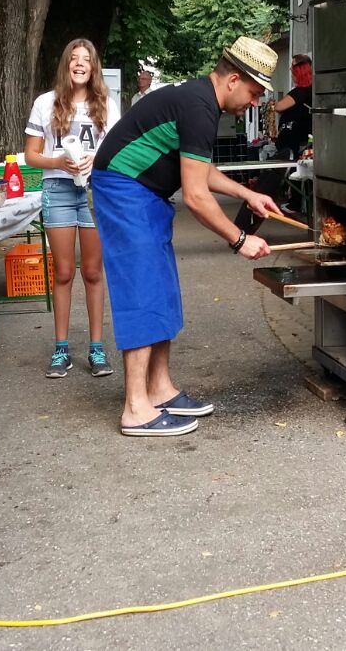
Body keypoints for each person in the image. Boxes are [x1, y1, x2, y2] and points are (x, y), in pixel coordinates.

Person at [91, 36, 280, 437]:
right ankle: (135, 408)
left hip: (145, 193)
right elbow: (195, 196)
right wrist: (239, 238)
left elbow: (198, 168)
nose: (254, 102)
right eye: (253, 92)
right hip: (125, 190)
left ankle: (159, 389)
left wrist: (247, 194)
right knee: (143, 290)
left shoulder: (201, 101)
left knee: (161, 289)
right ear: (233, 80)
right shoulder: (198, 107)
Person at [23, 38, 121, 379]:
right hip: (58, 190)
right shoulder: (45, 102)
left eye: (86, 59)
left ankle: (97, 349)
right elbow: (31, 155)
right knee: (63, 272)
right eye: (74, 58)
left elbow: (118, 151)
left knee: (93, 272)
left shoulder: (107, 103)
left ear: (93, 67)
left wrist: (98, 158)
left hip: (96, 192)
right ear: (66, 65)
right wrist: (58, 162)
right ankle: (61, 349)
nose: (80, 63)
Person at [234, 53, 312, 235]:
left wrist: (272, 104)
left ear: (299, 72)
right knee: (296, 171)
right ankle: (294, 201)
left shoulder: (300, 92)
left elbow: (279, 107)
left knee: (291, 169)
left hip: (293, 140)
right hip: (297, 138)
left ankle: (294, 203)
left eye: (293, 68)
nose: (290, 71)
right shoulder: (309, 92)